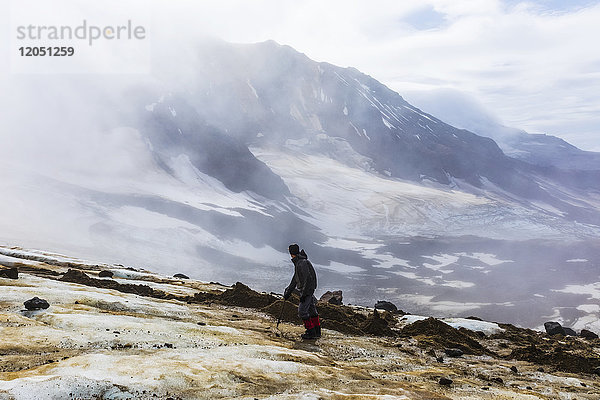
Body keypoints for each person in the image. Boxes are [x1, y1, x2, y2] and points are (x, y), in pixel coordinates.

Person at [283, 243, 321, 339]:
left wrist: (304, 294)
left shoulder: (301, 263)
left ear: (291, 253)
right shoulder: (299, 262)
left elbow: (307, 278)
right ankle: (317, 331)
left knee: (302, 311)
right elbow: (295, 279)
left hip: (307, 291)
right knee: (312, 310)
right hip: (308, 290)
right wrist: (288, 292)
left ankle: (311, 332)